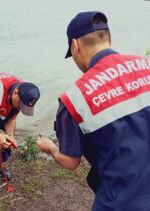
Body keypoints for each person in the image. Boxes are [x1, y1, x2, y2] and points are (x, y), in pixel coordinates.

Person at [37, 11, 150, 210]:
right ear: (109, 38)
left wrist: (51, 148)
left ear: (75, 46)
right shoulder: (146, 65)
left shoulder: (73, 99)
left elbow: (71, 162)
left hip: (120, 203)